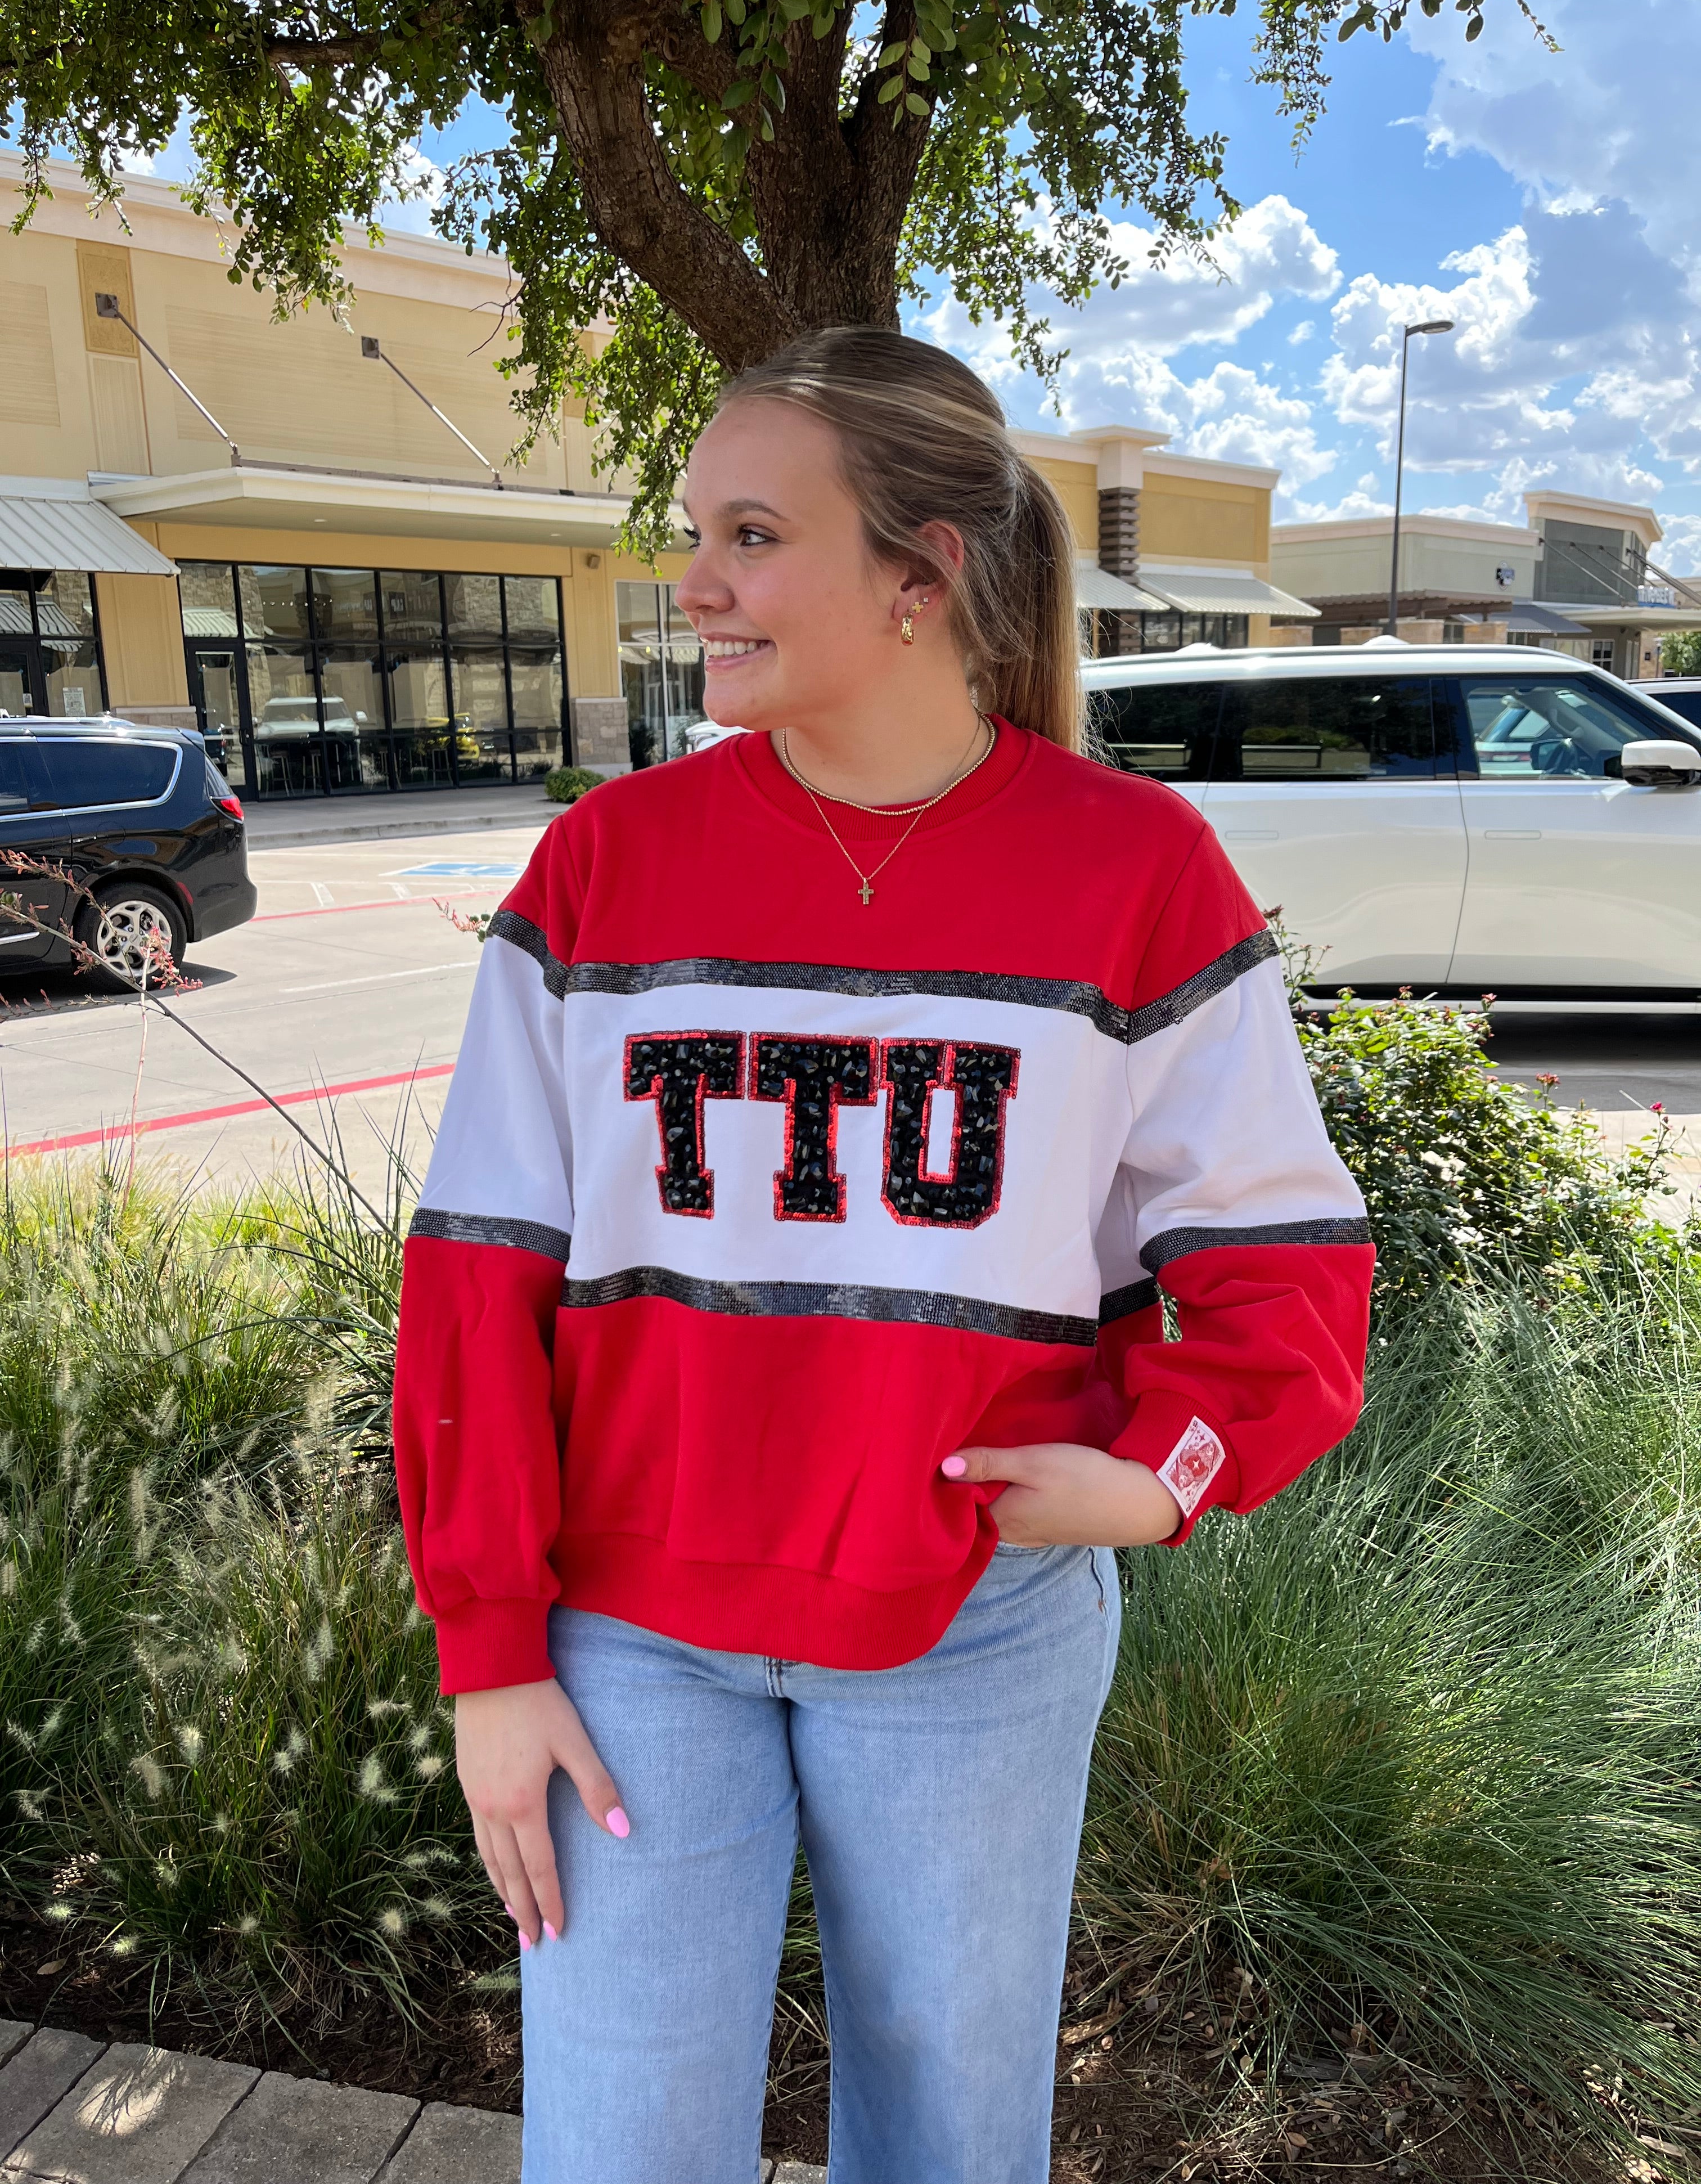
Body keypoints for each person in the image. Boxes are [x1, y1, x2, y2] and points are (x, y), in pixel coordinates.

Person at [392, 328, 1374, 2184]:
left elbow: (1285, 1258)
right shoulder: (603, 867)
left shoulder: (1136, 869)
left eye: (752, 535)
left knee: (945, 2135)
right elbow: (476, 1273)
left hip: (973, 1627)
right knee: (619, 2142)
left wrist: (1166, 1478)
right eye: (696, 532)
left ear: (921, 577)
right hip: (629, 1636)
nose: (691, 583)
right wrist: (488, 1650)